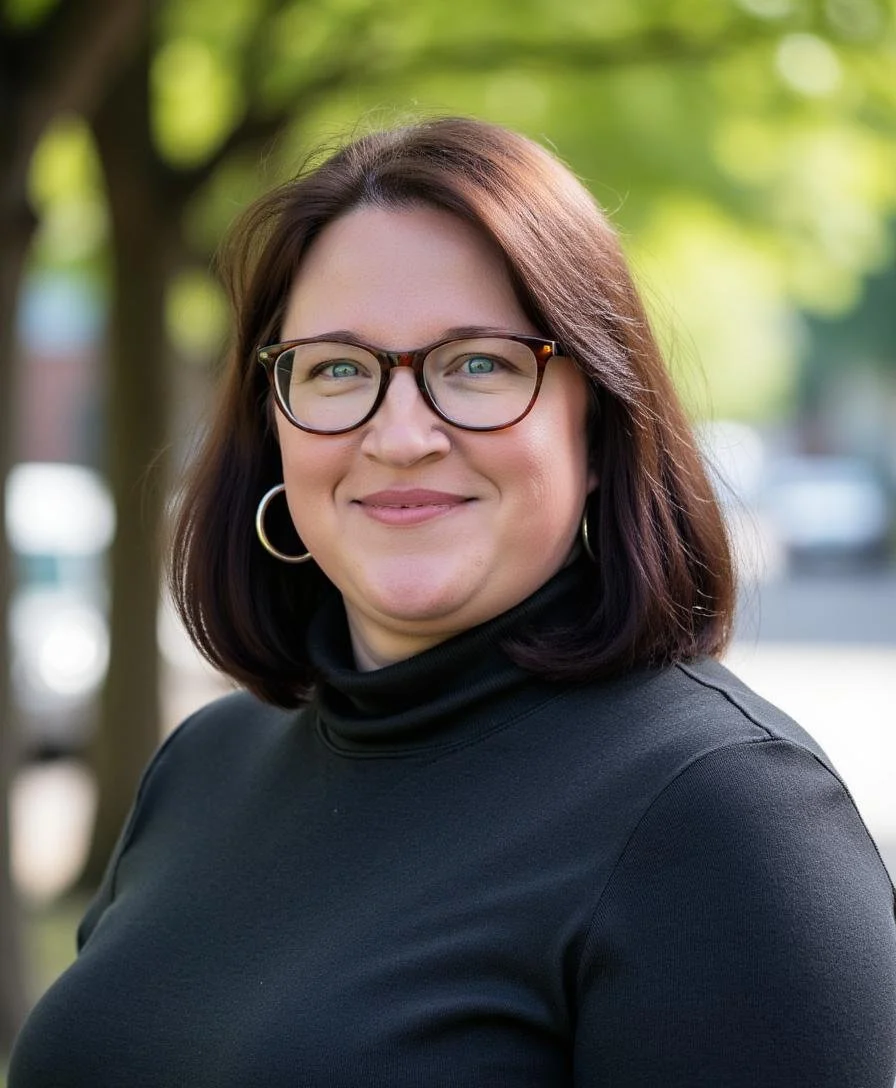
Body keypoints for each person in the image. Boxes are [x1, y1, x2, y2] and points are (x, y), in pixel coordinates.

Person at [9, 117, 896, 1087]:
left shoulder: (724, 814)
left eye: (476, 362)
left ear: (596, 425)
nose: (399, 433)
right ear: (275, 427)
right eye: (338, 367)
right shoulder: (203, 766)